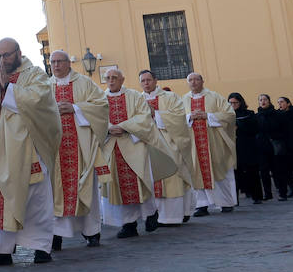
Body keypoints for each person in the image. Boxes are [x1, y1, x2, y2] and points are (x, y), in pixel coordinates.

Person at [0, 38, 59, 267]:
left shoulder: (34, 74)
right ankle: (2, 250)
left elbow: (41, 101)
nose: (3, 60)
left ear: (18, 53)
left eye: (7, 55)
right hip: (0, 149)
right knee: (4, 197)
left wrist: (10, 89)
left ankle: (42, 247)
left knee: (37, 200)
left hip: (28, 148)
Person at [95, 68, 175, 237]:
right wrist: (109, 128)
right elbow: (95, 119)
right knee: (117, 185)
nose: (111, 81)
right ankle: (128, 224)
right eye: (108, 78)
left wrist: (124, 126)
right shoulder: (99, 99)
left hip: (133, 145)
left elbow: (145, 117)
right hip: (112, 146)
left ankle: (150, 213)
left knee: (141, 181)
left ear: (122, 79)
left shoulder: (134, 96)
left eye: (115, 77)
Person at [42, 50, 107, 249]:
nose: (56, 65)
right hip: (55, 148)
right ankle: (57, 234)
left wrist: (76, 108)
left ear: (68, 63)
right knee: (54, 190)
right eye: (52, 62)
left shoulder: (84, 84)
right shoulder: (45, 86)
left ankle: (91, 231)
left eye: (59, 61)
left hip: (80, 146)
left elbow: (101, 106)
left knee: (85, 186)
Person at [139, 70, 193, 224]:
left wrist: (155, 114)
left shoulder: (170, 97)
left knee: (173, 176)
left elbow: (179, 118)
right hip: (147, 145)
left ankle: (173, 216)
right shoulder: (137, 99)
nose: (146, 83)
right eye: (143, 81)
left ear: (156, 81)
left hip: (168, 142)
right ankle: (155, 216)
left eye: (149, 80)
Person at [183, 73, 237, 215]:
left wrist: (207, 115)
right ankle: (201, 205)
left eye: (196, 79)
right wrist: (189, 117)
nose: (193, 82)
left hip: (214, 142)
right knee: (196, 172)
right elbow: (176, 120)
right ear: (187, 83)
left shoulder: (214, 97)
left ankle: (226, 203)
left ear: (202, 81)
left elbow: (230, 115)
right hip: (194, 145)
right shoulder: (183, 100)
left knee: (219, 171)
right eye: (190, 80)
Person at [229, 93, 262, 204]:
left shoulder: (249, 114)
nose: (233, 105)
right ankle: (235, 199)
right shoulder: (227, 115)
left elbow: (255, 129)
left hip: (248, 147)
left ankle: (256, 196)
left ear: (240, 102)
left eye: (235, 102)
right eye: (230, 103)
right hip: (233, 148)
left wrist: (239, 125)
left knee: (252, 171)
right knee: (235, 174)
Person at [254, 95, 285, 200]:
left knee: (278, 170)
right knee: (263, 171)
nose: (263, 102)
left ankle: (282, 193)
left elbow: (281, 129)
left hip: (274, 145)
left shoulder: (277, 114)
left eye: (265, 100)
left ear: (269, 101)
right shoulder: (257, 116)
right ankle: (268, 194)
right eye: (260, 100)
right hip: (261, 146)